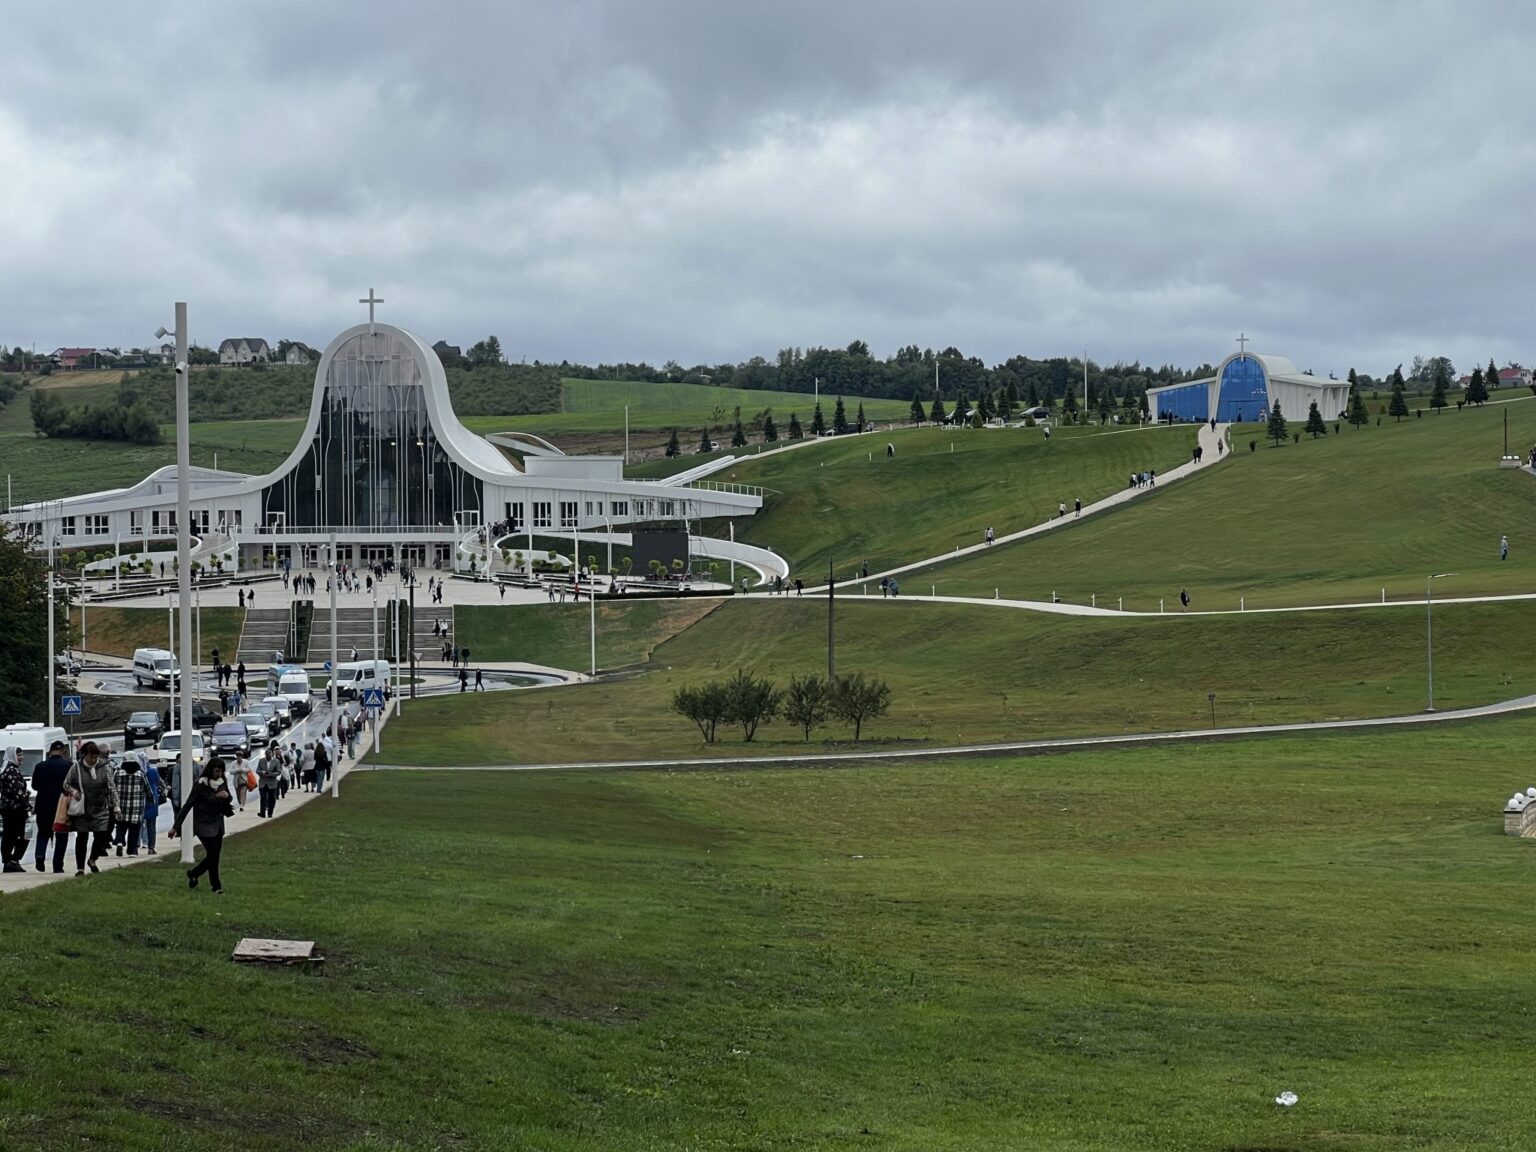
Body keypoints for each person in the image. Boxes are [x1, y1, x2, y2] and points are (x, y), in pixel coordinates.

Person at [170, 759, 234, 894]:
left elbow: (228, 799)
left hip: (218, 824)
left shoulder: (222, 782)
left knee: (214, 856)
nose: (219, 774)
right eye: (217, 771)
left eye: (222, 771)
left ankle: (196, 874)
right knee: (213, 855)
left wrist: (227, 796)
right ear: (210, 770)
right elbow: (188, 805)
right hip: (203, 824)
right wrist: (176, 826)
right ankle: (216, 886)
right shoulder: (200, 785)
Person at [62, 742, 121, 876]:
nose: (94, 760)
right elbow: (66, 784)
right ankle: (80, 868)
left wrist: (116, 806)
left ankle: (92, 859)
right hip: (82, 808)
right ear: (84, 755)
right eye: (91, 757)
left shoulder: (105, 767)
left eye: (96, 757)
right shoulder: (76, 767)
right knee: (82, 838)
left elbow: (111, 788)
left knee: (101, 836)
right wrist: (73, 791)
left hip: (100, 808)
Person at [111, 752, 154, 857]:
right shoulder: (140, 773)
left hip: (121, 805)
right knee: (134, 829)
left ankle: (120, 842)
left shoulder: (118, 773)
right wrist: (151, 799)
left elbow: (112, 787)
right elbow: (147, 788)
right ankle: (132, 851)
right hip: (136, 807)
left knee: (121, 826)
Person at [0, 747, 30, 872]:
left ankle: (10, 860)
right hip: (15, 809)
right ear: (13, 756)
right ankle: (12, 860)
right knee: (23, 835)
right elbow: (16, 791)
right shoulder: (12, 771)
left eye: (22, 754)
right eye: (19, 755)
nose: (21, 757)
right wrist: (27, 804)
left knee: (10, 835)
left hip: (9, 808)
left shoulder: (8, 769)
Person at [140, 753, 166, 855]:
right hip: (152, 799)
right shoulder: (153, 771)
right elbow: (161, 783)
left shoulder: (138, 772)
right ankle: (151, 847)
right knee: (151, 825)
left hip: (140, 798)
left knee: (137, 825)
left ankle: (135, 846)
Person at [256, 747, 282, 818]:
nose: (268, 757)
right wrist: (263, 772)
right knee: (263, 798)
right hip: (263, 783)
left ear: (272, 755)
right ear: (265, 755)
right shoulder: (261, 761)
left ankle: (270, 813)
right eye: (267, 756)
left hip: (272, 783)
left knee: (272, 799)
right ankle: (262, 813)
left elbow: (279, 771)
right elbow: (257, 770)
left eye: (269, 756)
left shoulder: (276, 761)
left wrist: (271, 774)